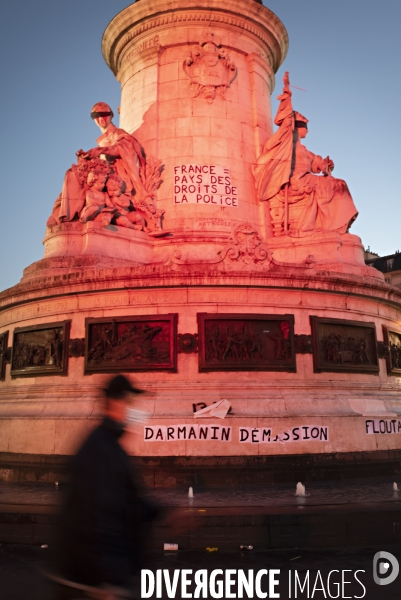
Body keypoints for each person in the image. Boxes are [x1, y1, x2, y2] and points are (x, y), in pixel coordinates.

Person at [54, 374, 158, 599]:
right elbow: (96, 516)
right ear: (114, 402)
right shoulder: (100, 448)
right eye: (130, 403)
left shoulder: (111, 446)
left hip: (100, 576)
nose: (135, 410)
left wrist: (164, 513)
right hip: (92, 582)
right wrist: (102, 579)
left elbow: (128, 502)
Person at [252, 72, 358, 236]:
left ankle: (338, 225)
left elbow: (318, 163)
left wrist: (326, 165)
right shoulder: (285, 146)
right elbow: (270, 147)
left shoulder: (305, 151)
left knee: (340, 184)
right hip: (296, 181)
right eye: (305, 128)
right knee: (338, 185)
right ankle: (334, 224)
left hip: (309, 178)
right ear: (298, 128)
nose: (307, 132)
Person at [57, 102, 150, 223]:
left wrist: (100, 150)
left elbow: (123, 148)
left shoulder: (117, 133)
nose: (101, 118)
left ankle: (73, 216)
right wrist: (86, 158)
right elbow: (101, 160)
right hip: (102, 172)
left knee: (72, 175)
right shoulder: (103, 138)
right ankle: (69, 215)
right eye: (96, 115)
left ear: (111, 116)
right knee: (71, 173)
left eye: (104, 114)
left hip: (114, 173)